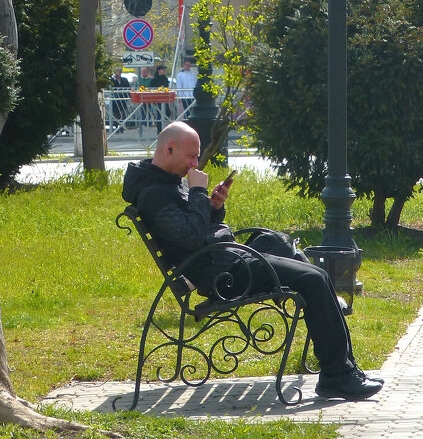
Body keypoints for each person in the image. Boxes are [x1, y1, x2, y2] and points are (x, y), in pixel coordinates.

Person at [121, 122, 383, 401]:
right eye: (191, 156)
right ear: (169, 149)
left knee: (280, 243)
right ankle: (336, 375)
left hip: (228, 261)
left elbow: (194, 228)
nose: (196, 163)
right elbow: (191, 236)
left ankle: (342, 357)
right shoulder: (153, 194)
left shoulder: (167, 181)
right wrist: (198, 192)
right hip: (225, 276)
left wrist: (214, 207)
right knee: (314, 279)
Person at [150, 64, 172, 131]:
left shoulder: (165, 79)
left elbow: (166, 87)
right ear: (159, 70)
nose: (164, 70)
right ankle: (159, 129)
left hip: (164, 98)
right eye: (162, 69)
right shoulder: (154, 80)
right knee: (159, 114)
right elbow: (151, 88)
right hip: (157, 99)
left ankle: (163, 127)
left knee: (167, 113)